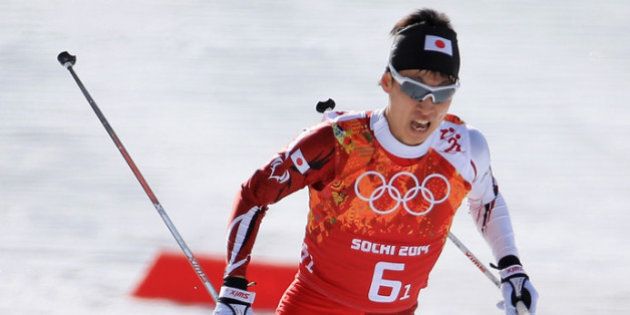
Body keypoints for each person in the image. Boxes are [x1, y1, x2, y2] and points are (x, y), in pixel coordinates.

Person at [212, 8, 538, 315]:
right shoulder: (337, 142)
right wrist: (234, 286)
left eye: (442, 93)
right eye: (414, 89)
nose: (427, 106)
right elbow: (254, 195)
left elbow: (487, 202)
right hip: (316, 305)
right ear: (387, 82)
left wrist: (512, 267)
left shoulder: (466, 147)